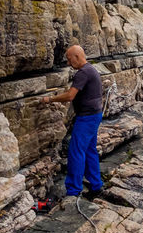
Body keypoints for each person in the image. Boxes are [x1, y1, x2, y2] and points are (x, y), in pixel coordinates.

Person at [42, 45, 103, 204]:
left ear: (77, 56)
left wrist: (50, 99)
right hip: (95, 115)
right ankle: (96, 186)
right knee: (89, 151)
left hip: (87, 118)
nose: (69, 63)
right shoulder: (92, 70)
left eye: (69, 59)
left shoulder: (83, 73)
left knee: (76, 152)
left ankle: (73, 191)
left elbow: (70, 96)